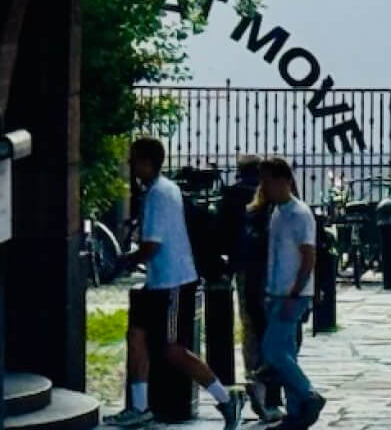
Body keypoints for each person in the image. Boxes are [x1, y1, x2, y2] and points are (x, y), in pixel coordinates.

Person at [105, 139, 244, 428]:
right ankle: (140, 406)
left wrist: (126, 261)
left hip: (173, 283)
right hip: (159, 281)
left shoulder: (158, 194)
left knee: (173, 349)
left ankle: (226, 398)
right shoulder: (161, 190)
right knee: (137, 337)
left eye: (133, 160)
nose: (131, 166)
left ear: (146, 162)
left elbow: (152, 245)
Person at [259, 156, 326, 430]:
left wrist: (296, 292)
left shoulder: (299, 214)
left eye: (269, 181)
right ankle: (295, 410)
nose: (265, 187)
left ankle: (308, 394)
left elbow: (308, 256)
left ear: (284, 181)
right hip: (277, 291)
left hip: (292, 293)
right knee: (286, 351)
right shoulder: (277, 212)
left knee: (272, 350)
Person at [221, 156, 285, 424]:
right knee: (274, 333)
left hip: (246, 271)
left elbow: (222, 234)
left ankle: (254, 380)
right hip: (275, 273)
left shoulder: (234, 197)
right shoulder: (273, 199)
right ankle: (273, 394)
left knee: (250, 329)